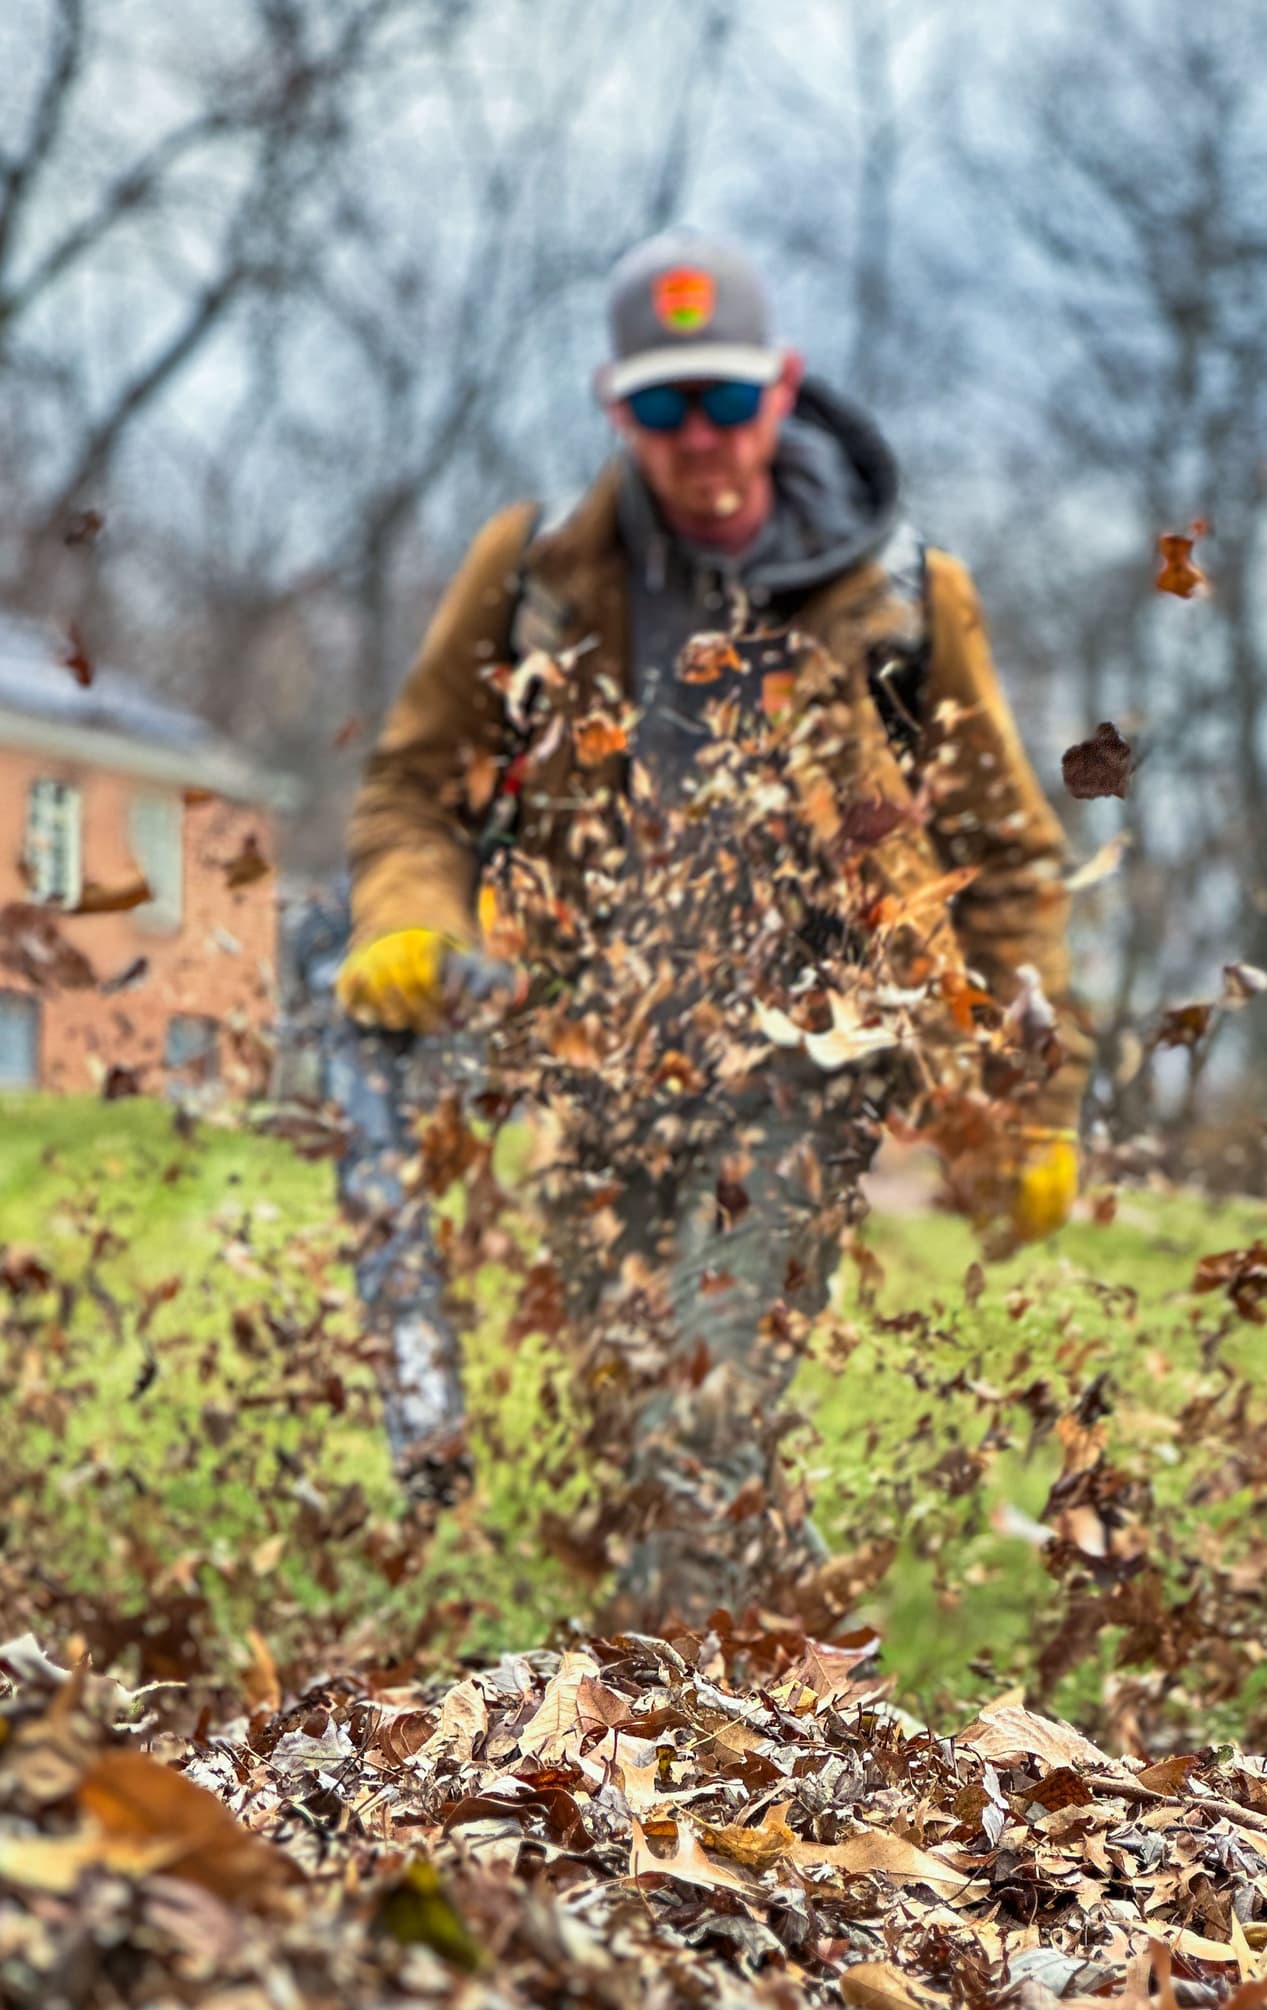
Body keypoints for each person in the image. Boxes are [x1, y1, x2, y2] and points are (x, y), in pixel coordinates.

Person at [338, 228, 1086, 1627]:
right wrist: (408, 917)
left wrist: (1029, 1105)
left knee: (711, 1373)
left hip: (807, 1055)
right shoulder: (538, 577)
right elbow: (411, 790)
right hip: (599, 1051)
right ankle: (772, 1693)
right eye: (665, 408)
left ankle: (669, 1735)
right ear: (617, 407)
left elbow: (1004, 861)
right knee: (631, 1399)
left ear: (782, 390)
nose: (702, 441)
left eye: (728, 402)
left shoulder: (910, 598)